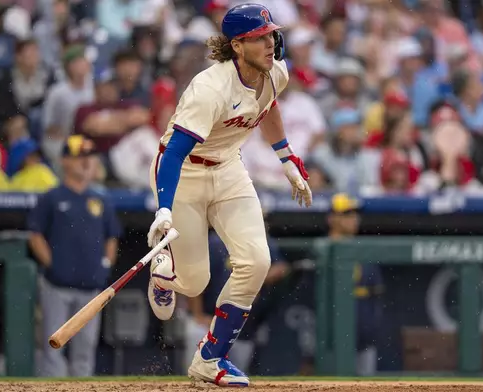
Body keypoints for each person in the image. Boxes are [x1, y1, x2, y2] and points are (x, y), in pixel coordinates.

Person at [145, 4, 312, 387]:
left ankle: (210, 358)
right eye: (259, 38)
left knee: (256, 261)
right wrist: (164, 209)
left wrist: (285, 157)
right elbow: (173, 152)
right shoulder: (211, 88)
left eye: (271, 34)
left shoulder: (275, 72)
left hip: (228, 168)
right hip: (185, 170)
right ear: (237, 46)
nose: (270, 42)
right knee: (194, 283)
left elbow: (267, 107)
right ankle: (163, 275)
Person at [27, 135, 122, 377]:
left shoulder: (101, 198)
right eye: (80, 157)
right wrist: (53, 264)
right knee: (52, 347)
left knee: (85, 351)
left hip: (91, 289)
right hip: (56, 286)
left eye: (90, 157)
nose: (86, 162)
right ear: (65, 161)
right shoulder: (52, 197)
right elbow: (35, 235)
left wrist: (105, 265)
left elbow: (112, 236)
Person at [185, 218, 290, 374]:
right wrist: (198, 315)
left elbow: (281, 267)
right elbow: (196, 278)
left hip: (241, 326)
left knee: (236, 373)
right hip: (208, 321)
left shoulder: (259, 243)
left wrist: (258, 280)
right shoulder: (216, 243)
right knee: (198, 365)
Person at [326, 193, 384, 376]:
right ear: (332, 218)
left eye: (354, 214)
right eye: (347, 214)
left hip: (364, 331)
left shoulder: (363, 250)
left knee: (367, 383)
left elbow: (376, 291)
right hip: (331, 334)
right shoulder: (324, 249)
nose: (353, 219)